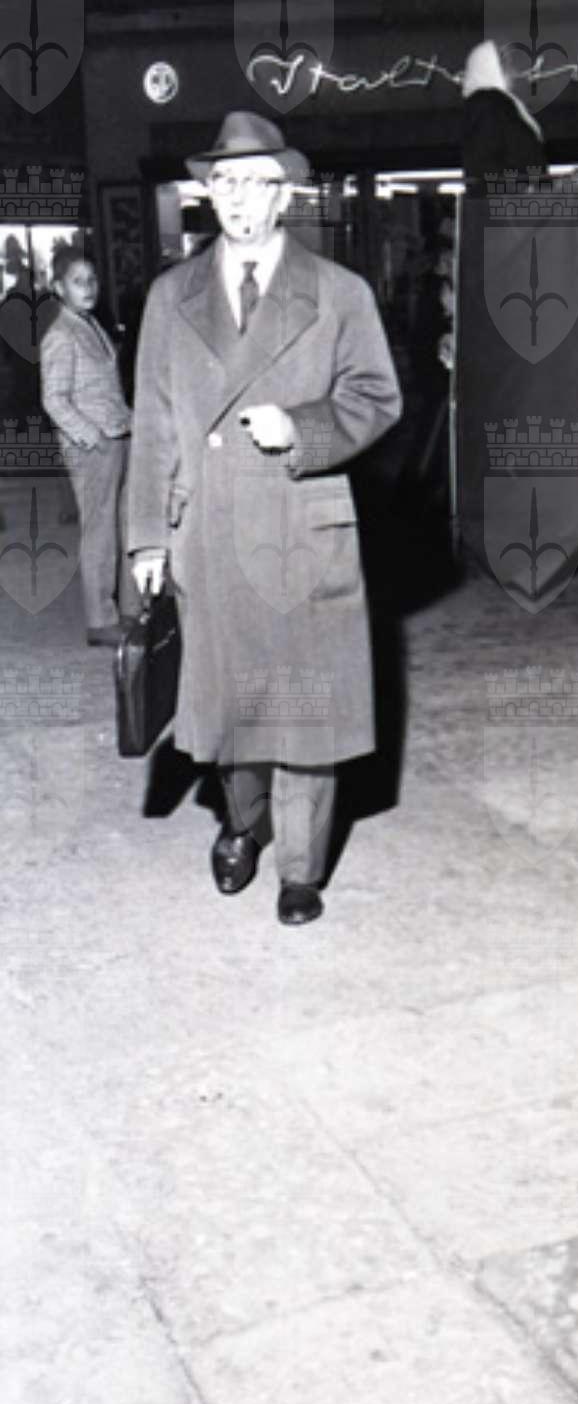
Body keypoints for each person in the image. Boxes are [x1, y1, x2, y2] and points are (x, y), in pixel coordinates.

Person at [127, 110, 402, 927]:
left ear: (285, 195)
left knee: (307, 707)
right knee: (232, 703)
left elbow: (377, 396)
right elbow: (153, 425)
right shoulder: (170, 297)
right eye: (225, 182)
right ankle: (244, 822)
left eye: (256, 183)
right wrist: (146, 538)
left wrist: (304, 428)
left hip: (299, 523)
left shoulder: (339, 294)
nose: (240, 198)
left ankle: (300, 868)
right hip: (209, 531)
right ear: (207, 194)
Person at [39, 247, 140, 644]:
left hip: (119, 434)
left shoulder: (91, 324)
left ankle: (130, 608)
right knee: (99, 530)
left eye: (92, 280)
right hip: (93, 446)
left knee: (125, 523)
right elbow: (54, 399)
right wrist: (90, 436)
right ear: (58, 287)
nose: (89, 288)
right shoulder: (60, 335)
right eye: (78, 281)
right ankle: (100, 620)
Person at [460, 39, 548, 184]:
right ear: (491, 67)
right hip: (509, 196)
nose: (513, 72)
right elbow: (486, 163)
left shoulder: (497, 104)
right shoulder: (487, 104)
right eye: (506, 66)